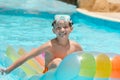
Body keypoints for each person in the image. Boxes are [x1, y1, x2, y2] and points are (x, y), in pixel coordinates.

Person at [0, 14, 83, 75]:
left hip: (67, 75)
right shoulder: (49, 46)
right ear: (53, 31)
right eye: (58, 27)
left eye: (65, 27)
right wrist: (8, 70)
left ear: (71, 29)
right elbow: (27, 56)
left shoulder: (76, 47)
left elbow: (83, 62)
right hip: (49, 76)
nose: (62, 30)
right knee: (57, 62)